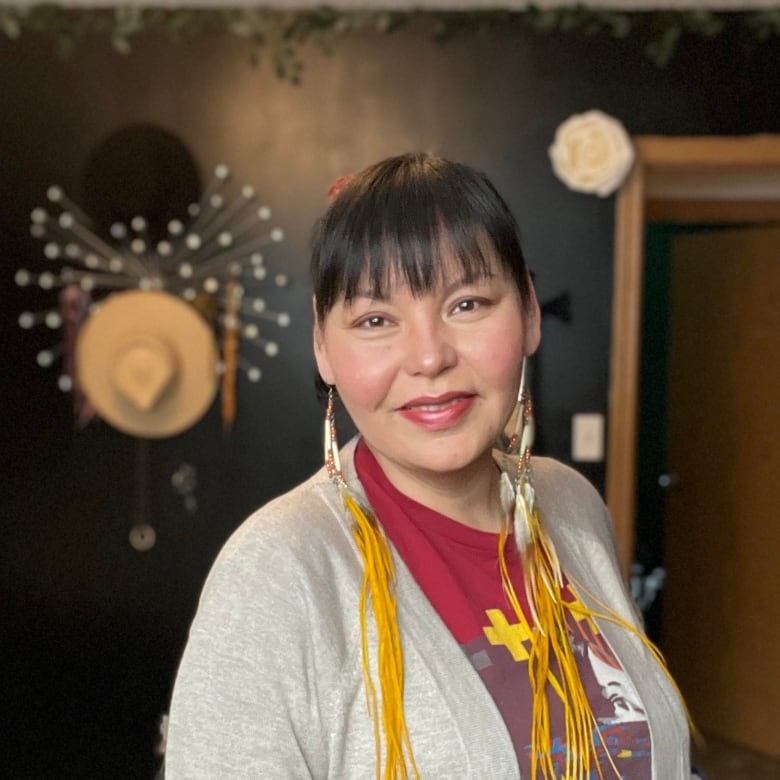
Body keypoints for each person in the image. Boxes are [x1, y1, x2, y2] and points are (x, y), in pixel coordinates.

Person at [165, 152, 698, 778]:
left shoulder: (569, 503)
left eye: (467, 304)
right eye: (374, 319)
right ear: (321, 345)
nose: (427, 358)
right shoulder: (278, 569)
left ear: (528, 309)